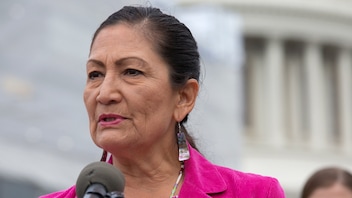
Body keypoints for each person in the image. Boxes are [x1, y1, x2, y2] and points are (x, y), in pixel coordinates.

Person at [40, 5, 285, 198]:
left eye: (131, 72)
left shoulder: (254, 194)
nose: (104, 94)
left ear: (184, 97)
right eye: (95, 74)